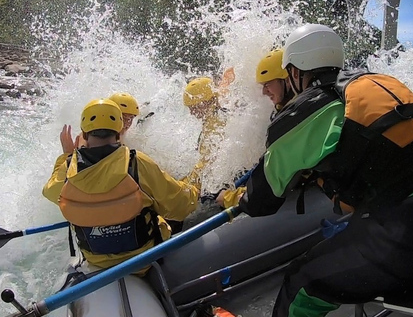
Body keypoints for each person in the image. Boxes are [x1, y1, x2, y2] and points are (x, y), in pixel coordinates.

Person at [238, 24, 413, 317]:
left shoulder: (314, 108)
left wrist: (236, 198)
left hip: (412, 242)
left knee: (300, 282)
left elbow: (260, 200)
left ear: (295, 72)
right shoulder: (377, 81)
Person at [43, 99, 199, 271]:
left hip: (97, 263)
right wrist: (194, 187)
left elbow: (50, 192)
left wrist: (66, 156)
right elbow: (181, 205)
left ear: (85, 134)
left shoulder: (69, 169)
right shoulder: (137, 162)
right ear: (119, 132)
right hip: (144, 261)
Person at [215, 49, 294, 207]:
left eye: (268, 84)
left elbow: (270, 186)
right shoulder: (286, 110)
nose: (264, 92)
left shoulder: (293, 118)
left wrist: (231, 197)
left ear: (286, 80)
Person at [60, 91, 141, 151]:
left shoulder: (121, 134)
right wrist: (69, 155)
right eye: (123, 117)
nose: (127, 123)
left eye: (131, 118)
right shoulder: (90, 135)